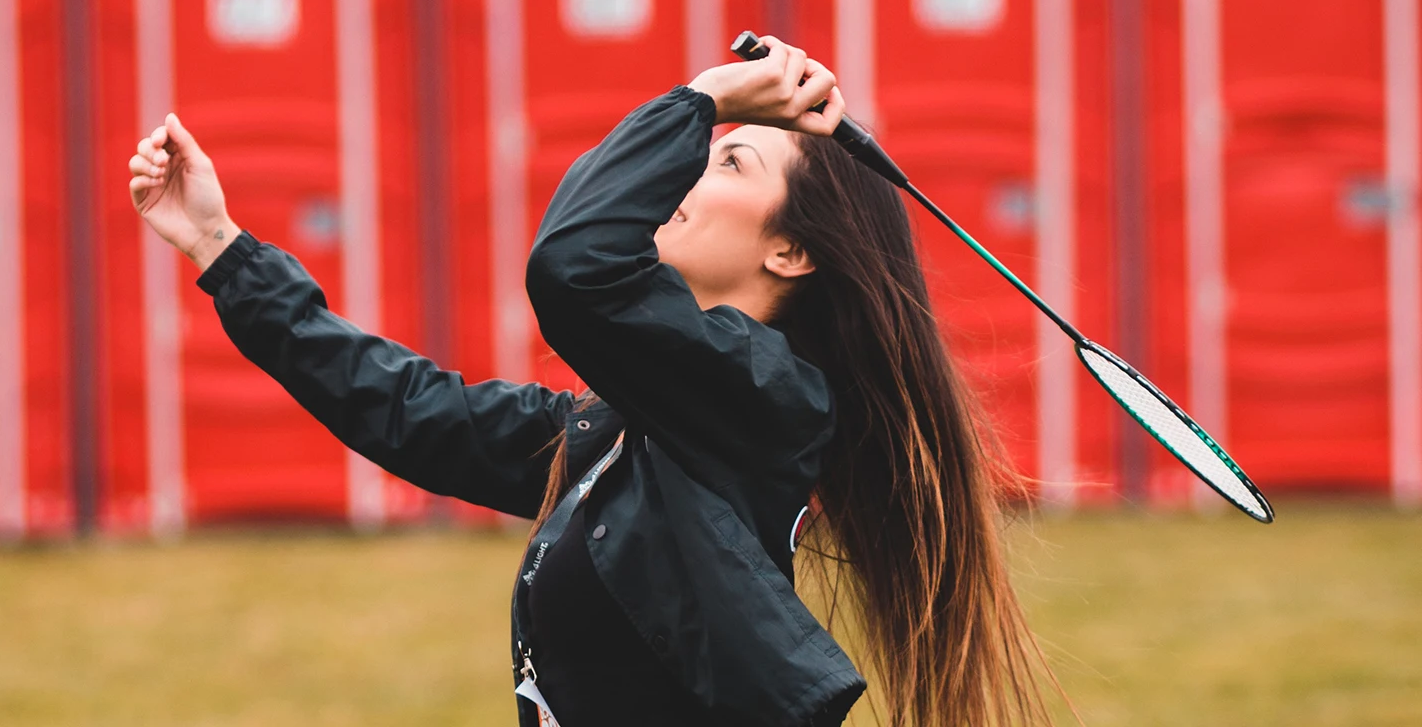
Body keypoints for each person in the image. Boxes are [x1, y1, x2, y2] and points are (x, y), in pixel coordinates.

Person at [129, 36, 1050, 727]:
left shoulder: (770, 401)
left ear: (792, 249)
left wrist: (704, 95)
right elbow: (406, 410)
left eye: (730, 159)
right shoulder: (628, 431)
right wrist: (220, 248)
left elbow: (575, 268)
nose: (692, 165)